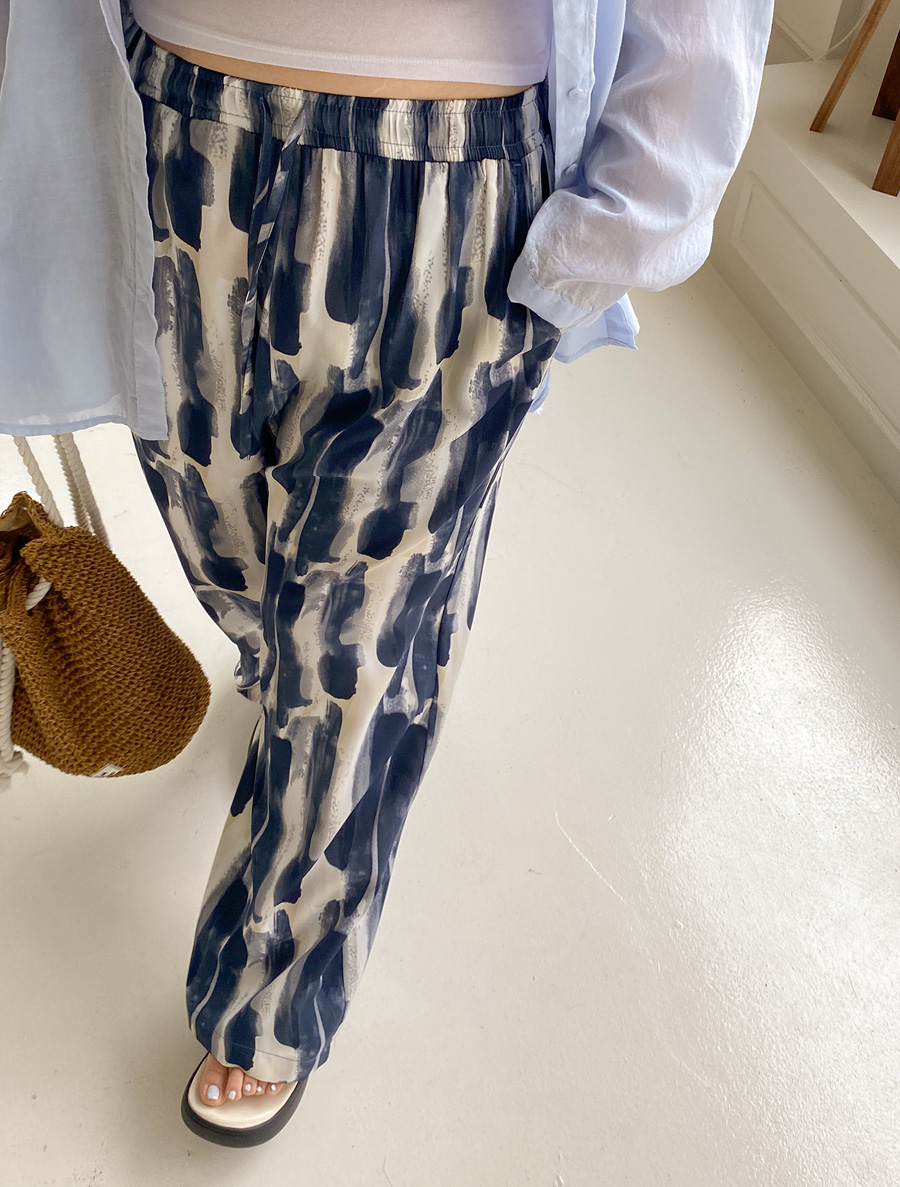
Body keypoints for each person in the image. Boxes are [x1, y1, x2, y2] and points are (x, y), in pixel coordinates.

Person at [0, 0, 775, 1148]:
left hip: (448, 170)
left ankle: (272, 999)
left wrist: (624, 214)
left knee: (359, 636)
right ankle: (276, 669)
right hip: (173, 128)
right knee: (221, 536)